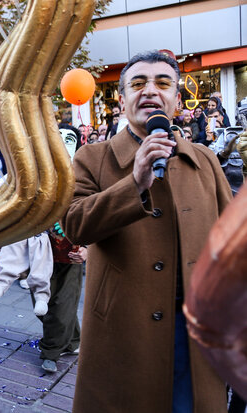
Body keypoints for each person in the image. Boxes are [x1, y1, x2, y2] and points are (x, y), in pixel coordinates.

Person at [63, 50, 231, 413]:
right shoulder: (92, 158)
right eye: (138, 83)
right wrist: (135, 182)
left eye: (162, 83)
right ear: (122, 100)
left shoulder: (203, 158)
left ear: (176, 100)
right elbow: (74, 224)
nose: (150, 90)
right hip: (125, 330)